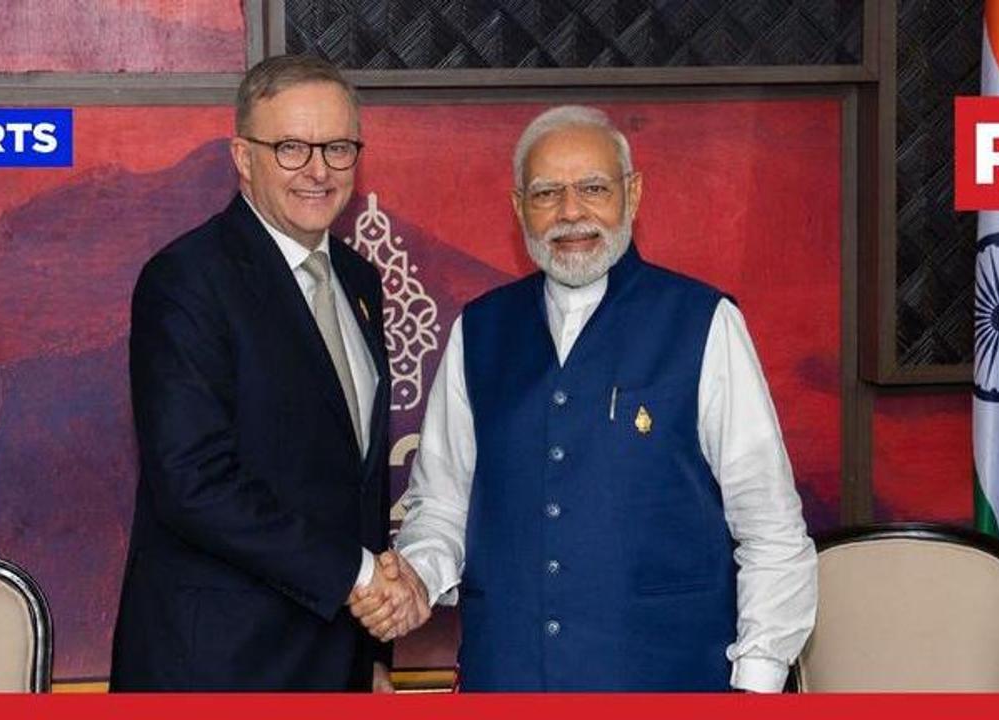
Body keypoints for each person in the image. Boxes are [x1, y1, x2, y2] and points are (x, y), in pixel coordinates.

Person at [350, 105, 818, 692]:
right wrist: (416, 576)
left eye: (593, 188)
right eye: (547, 193)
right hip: (507, 679)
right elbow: (443, 505)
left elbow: (770, 525)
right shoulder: (479, 331)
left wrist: (756, 681)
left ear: (633, 193)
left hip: (668, 679)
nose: (571, 212)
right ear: (519, 206)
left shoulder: (703, 322)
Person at [110, 55, 419, 692]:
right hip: (221, 665)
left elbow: (354, 485)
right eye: (289, 147)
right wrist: (361, 578)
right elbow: (193, 483)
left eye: (337, 147)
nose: (318, 169)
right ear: (242, 157)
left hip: (333, 659)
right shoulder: (186, 281)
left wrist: (373, 656)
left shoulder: (359, 279)